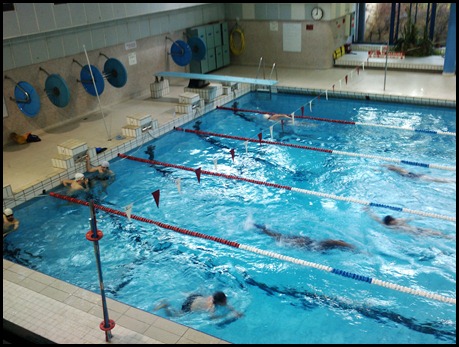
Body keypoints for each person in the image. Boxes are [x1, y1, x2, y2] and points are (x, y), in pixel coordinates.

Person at [364, 206, 455, 240]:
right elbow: (376, 218)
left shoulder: (399, 220)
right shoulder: (387, 225)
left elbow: (409, 218)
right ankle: (447, 238)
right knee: (433, 235)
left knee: (436, 232)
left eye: (394, 220)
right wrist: (368, 211)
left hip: (417, 230)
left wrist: (419, 216)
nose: (394, 221)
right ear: (390, 222)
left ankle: (448, 237)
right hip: (414, 234)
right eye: (393, 221)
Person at [254, 223, 355, 251]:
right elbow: (336, 242)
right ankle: (261, 229)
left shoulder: (322, 245)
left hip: (309, 244)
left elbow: (336, 242)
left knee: (280, 237)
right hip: (310, 244)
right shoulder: (322, 245)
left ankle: (261, 229)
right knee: (279, 237)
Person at [154, 291, 243, 320]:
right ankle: (166, 306)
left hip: (195, 296)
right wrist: (227, 315)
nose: (226, 300)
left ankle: (183, 293)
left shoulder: (212, 297)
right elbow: (213, 318)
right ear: (220, 302)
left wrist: (235, 312)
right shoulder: (211, 307)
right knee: (175, 316)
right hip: (189, 306)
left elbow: (227, 305)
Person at [383, 164, 455, 183]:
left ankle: (452, 181)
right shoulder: (399, 171)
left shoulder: (401, 171)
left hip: (419, 177)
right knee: (436, 179)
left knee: (436, 180)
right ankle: (452, 180)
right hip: (418, 176)